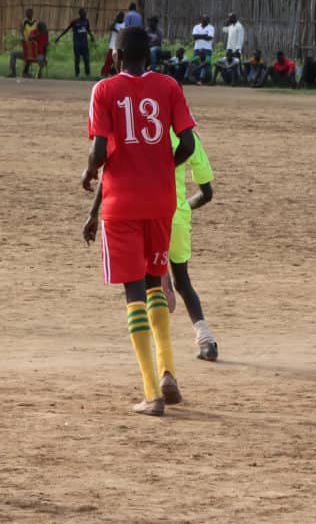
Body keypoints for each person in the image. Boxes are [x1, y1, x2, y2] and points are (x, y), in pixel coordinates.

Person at [81, 26, 197, 416]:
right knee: (155, 283)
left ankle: (151, 393)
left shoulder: (104, 90)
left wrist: (87, 173)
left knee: (133, 293)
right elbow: (189, 144)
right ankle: (169, 371)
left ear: (116, 56)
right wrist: (165, 165)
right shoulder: (169, 86)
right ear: (148, 56)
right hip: (161, 202)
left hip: (122, 204)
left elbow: (100, 150)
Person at [166, 129, 218, 361]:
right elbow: (207, 194)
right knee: (183, 281)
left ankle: (158, 279)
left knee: (141, 282)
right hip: (177, 216)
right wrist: (183, 206)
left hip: (147, 214)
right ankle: (205, 339)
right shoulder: (190, 138)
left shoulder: (144, 131)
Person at [55, 8, 93, 78]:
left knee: (86, 59)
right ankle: (77, 74)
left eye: (85, 13)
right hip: (77, 44)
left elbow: (88, 29)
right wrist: (59, 37)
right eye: (84, 13)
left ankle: (87, 74)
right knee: (77, 60)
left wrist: (92, 37)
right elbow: (67, 29)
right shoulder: (75, 21)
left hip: (85, 44)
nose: (85, 15)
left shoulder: (86, 21)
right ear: (80, 14)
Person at [8, 8, 38, 78]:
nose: (27, 14)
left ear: (32, 13)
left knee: (14, 54)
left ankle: (14, 73)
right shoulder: (30, 22)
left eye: (28, 13)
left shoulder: (33, 22)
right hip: (31, 46)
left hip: (30, 45)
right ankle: (25, 72)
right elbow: (21, 30)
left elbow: (21, 30)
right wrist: (24, 37)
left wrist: (24, 38)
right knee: (29, 54)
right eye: (27, 13)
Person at [101, 12, 125, 78]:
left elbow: (121, 33)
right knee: (108, 61)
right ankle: (104, 74)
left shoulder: (124, 25)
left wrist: (116, 30)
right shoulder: (115, 24)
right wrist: (115, 21)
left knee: (119, 62)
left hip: (119, 46)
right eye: (117, 17)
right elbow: (110, 27)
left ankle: (119, 75)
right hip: (112, 45)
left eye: (119, 17)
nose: (118, 18)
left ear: (123, 17)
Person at [191, 15, 214, 80]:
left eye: (207, 19)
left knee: (206, 64)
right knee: (195, 63)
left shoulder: (211, 27)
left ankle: (205, 79)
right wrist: (204, 35)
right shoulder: (196, 27)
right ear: (201, 19)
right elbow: (194, 37)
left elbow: (209, 38)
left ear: (209, 20)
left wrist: (199, 36)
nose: (205, 20)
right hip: (197, 48)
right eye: (204, 19)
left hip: (207, 49)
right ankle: (196, 79)